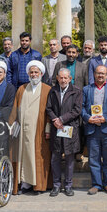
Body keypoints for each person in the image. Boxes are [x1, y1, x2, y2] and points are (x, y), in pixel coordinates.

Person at [8, 60, 52, 195]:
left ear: (41, 73)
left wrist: (48, 129)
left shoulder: (47, 89)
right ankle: (25, 184)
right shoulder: (21, 89)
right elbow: (15, 108)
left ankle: (38, 185)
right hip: (22, 131)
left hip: (38, 131)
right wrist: (11, 125)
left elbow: (50, 111)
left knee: (38, 156)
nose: (33, 74)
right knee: (23, 156)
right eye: (31, 72)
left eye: (36, 72)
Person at [83, 65, 107, 195]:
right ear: (94, 74)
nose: (100, 75)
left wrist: (105, 118)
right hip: (92, 129)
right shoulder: (87, 89)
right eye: (98, 73)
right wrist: (88, 118)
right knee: (94, 158)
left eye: (103, 73)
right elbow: (81, 108)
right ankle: (96, 184)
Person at [47, 68, 83, 197]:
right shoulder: (53, 91)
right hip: (56, 128)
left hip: (70, 128)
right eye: (61, 78)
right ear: (57, 78)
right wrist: (55, 120)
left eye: (65, 78)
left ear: (70, 78)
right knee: (55, 158)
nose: (63, 80)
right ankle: (56, 185)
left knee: (69, 158)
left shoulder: (77, 91)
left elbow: (77, 110)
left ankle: (68, 185)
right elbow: (49, 108)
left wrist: (62, 119)